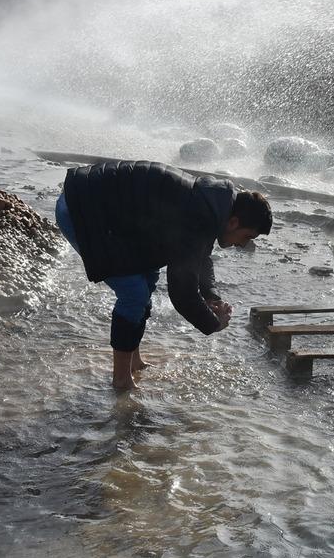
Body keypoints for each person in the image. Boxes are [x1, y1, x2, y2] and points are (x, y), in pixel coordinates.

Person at [54, 160, 273, 390]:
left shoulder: (213, 205)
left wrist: (212, 297)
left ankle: (134, 363)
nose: (242, 245)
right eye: (247, 236)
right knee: (134, 294)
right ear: (234, 222)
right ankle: (121, 380)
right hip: (81, 208)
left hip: (104, 210)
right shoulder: (202, 214)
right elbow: (182, 292)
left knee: (146, 280)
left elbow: (201, 258)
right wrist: (213, 323)